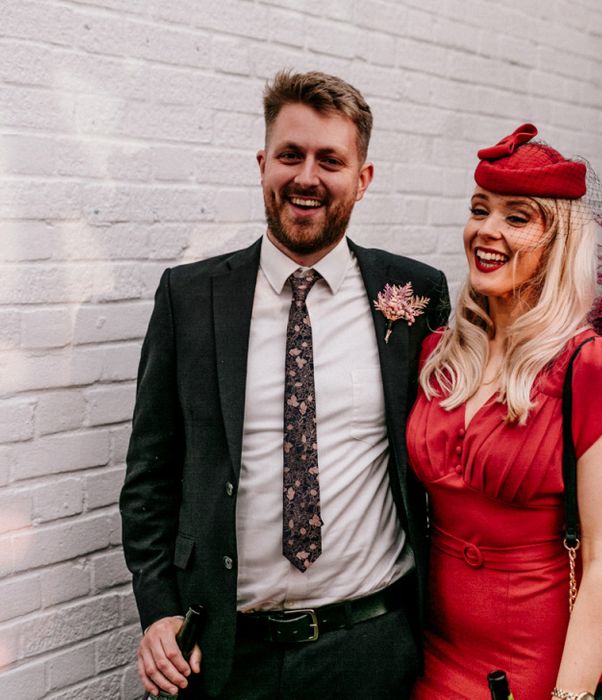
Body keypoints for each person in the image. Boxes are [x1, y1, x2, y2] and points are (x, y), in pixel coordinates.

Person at [120, 70, 450, 699]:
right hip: (225, 654)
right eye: (290, 155)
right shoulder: (190, 298)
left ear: (363, 178)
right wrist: (159, 607)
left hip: (372, 646)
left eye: (331, 160)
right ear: (262, 162)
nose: (307, 177)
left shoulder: (412, 295)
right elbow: (149, 479)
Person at [406, 123, 602, 700]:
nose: (487, 231)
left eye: (517, 217)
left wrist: (569, 698)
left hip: (537, 671)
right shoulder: (439, 354)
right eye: (479, 210)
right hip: (429, 659)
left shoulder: (595, 369)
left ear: (558, 242)